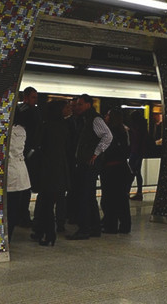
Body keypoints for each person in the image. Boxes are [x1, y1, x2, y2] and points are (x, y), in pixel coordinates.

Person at [66, 94, 112, 240]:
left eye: (80, 104)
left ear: (88, 104)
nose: (77, 107)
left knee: (84, 196)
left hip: (89, 164)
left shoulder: (94, 119)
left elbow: (108, 136)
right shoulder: (84, 119)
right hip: (85, 163)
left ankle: (84, 229)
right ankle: (95, 228)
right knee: (89, 196)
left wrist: (96, 153)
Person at [31, 99, 70, 246]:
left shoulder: (46, 126)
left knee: (45, 204)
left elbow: (37, 145)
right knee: (51, 203)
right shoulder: (64, 126)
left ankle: (48, 234)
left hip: (47, 170)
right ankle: (45, 232)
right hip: (60, 170)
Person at [100, 107, 132, 234]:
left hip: (111, 169)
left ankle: (110, 225)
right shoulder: (124, 131)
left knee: (109, 199)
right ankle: (125, 225)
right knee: (122, 200)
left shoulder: (109, 133)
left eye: (107, 115)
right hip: (122, 169)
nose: (105, 117)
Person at [6, 108, 31, 242]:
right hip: (21, 172)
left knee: (8, 209)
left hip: (9, 173)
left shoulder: (6, 131)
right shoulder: (22, 130)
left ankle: (6, 238)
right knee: (14, 208)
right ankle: (9, 236)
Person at [17, 86, 39, 229]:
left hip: (25, 153)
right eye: (33, 97)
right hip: (26, 154)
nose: (35, 100)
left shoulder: (20, 110)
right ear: (25, 97)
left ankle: (21, 215)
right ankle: (23, 217)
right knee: (25, 188)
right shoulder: (28, 111)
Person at [128, 110, 148, 200]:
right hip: (137, 153)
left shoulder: (137, 129)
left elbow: (136, 142)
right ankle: (138, 192)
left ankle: (128, 191)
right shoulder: (142, 128)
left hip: (135, 153)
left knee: (132, 173)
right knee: (136, 173)